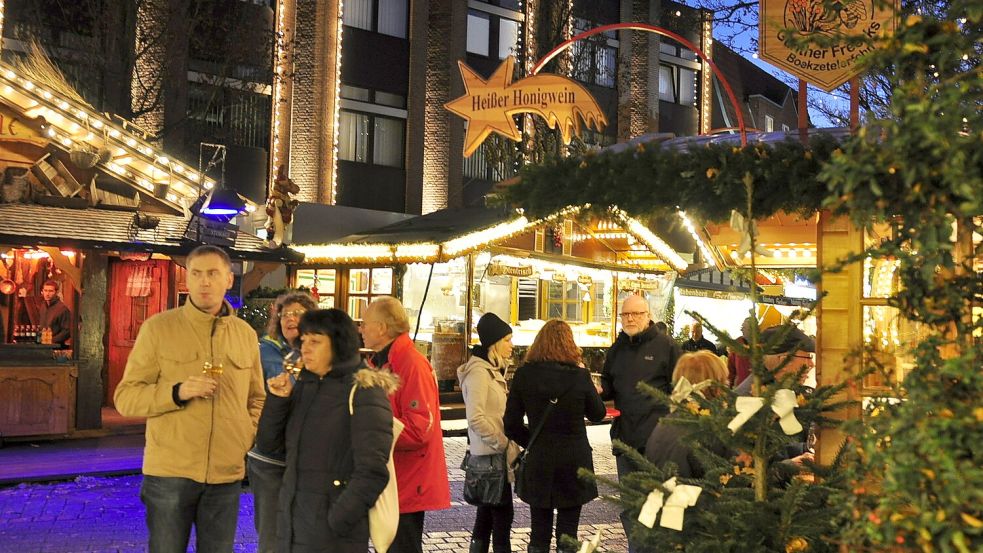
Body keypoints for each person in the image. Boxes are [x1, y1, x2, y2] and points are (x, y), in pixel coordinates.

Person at [114, 245, 265, 553]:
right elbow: (126, 398)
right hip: (170, 473)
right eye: (196, 274)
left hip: (225, 475)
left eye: (212, 274)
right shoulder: (159, 328)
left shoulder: (245, 334)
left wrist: (244, 436)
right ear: (187, 279)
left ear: (228, 279)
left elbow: (256, 398)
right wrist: (177, 392)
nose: (204, 282)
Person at [256, 309, 396, 553]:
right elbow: (270, 446)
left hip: (332, 538)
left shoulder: (364, 391)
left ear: (338, 344)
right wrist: (278, 401)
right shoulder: (305, 386)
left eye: (315, 341)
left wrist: (335, 521)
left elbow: (373, 472)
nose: (305, 348)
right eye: (304, 340)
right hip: (291, 528)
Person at [504, 320, 606, 553]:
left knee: (539, 529)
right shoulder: (580, 376)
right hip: (574, 460)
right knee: (568, 530)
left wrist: (531, 441)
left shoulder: (524, 375)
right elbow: (598, 413)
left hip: (539, 459)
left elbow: (510, 424)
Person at [360, 296, 451, 553]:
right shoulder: (382, 361)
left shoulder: (410, 363)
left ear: (382, 328)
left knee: (402, 547)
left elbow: (419, 430)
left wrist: (371, 430)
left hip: (407, 481)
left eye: (365, 323)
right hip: (392, 479)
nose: (361, 329)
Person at [600, 294, 680, 553]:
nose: (630, 318)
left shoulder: (667, 346)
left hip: (659, 442)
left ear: (648, 316)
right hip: (625, 440)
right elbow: (608, 386)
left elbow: (680, 390)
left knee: (660, 504)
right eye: (625, 314)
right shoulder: (617, 348)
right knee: (631, 506)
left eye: (636, 313)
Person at [247, 291, 317, 553]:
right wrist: (253, 429)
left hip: (308, 458)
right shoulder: (263, 352)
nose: (290, 318)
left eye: (298, 313)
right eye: (285, 314)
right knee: (273, 537)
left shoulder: (319, 354)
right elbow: (249, 396)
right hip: (271, 459)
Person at [457, 313, 520, 553]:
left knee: (486, 516)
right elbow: (476, 418)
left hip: (493, 456)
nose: (511, 345)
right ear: (494, 343)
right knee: (502, 517)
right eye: (507, 340)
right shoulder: (478, 374)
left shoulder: (490, 370)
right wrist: (503, 443)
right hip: (490, 456)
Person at [645, 351, 729, 478]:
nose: (728, 385)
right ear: (714, 386)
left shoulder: (667, 422)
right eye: (724, 380)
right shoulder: (710, 430)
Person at [734, 325, 815, 397]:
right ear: (784, 361)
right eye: (806, 358)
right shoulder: (749, 401)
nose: (811, 364)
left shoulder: (789, 391)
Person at [39, 279, 72, 347]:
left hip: (56, 346)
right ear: (42, 291)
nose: (47, 294)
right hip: (43, 344)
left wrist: (52, 340)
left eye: (51, 291)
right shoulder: (43, 306)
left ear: (56, 292)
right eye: (45, 290)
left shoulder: (62, 309)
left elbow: (67, 331)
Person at [727, 317, 753, 387]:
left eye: (744, 327)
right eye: (742, 327)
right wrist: (729, 385)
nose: (741, 329)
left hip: (758, 388)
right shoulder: (737, 344)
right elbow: (731, 369)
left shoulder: (763, 345)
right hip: (739, 387)